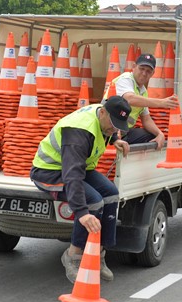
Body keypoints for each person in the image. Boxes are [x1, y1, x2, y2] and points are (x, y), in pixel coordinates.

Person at [30, 95, 132, 283]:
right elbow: (72, 176)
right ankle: (73, 256)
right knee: (93, 201)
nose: (115, 129)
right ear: (103, 112)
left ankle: (100, 254)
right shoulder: (79, 132)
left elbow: (105, 130)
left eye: (119, 126)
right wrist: (82, 212)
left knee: (111, 194)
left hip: (78, 168)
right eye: (114, 124)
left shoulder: (102, 115)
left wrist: (113, 140)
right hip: (50, 171)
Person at [109, 53, 178, 149]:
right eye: (141, 69)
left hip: (125, 131)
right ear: (134, 67)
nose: (144, 73)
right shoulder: (125, 79)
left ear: (153, 74)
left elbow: (146, 119)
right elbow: (129, 98)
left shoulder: (143, 91)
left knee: (153, 136)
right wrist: (161, 103)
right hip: (109, 129)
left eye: (148, 71)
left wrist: (160, 133)